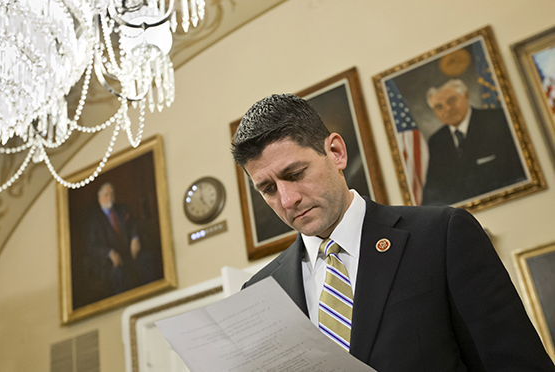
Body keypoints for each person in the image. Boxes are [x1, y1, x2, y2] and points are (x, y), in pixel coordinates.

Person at [231, 93, 554, 371]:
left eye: (296, 173)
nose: (288, 199)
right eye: (268, 189)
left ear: (335, 152)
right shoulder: (259, 292)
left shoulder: (441, 237)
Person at [421, 79, 526, 206]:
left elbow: (521, 172)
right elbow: (433, 190)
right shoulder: (436, 141)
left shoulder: (498, 120)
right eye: (439, 107)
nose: (447, 109)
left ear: (466, 96)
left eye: (451, 100)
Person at [87, 182, 142, 296]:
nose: (110, 197)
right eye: (106, 194)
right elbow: (92, 246)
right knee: (119, 275)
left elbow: (133, 225)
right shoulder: (94, 220)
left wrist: (135, 238)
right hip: (109, 262)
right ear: (99, 199)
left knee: (148, 260)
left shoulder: (122, 209)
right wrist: (110, 253)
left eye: (112, 194)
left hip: (131, 254)